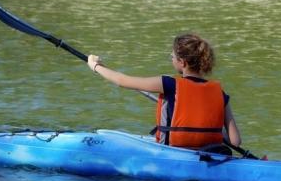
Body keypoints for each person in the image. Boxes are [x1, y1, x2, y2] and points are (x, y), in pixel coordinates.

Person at [87, 33, 241, 149]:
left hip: (173, 154)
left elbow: (122, 81)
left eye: (172, 56)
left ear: (182, 62)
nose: (171, 59)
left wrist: (95, 66)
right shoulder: (219, 93)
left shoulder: (168, 84)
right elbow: (235, 141)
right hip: (210, 156)